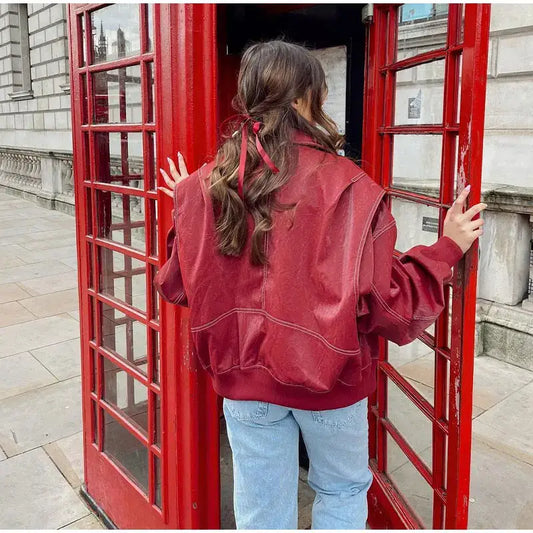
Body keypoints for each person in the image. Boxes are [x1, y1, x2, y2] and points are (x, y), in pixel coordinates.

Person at [154, 39, 486, 530]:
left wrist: (190, 200)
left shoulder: (207, 186)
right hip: (331, 383)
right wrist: (447, 249)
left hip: (244, 388)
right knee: (342, 489)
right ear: (306, 98)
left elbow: (179, 285)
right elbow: (390, 307)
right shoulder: (351, 187)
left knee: (262, 511)